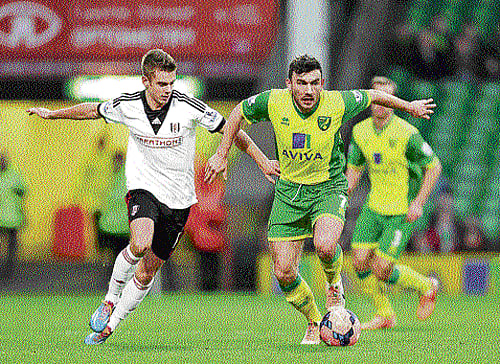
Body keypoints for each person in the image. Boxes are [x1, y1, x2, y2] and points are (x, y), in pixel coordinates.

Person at [26, 49, 279, 345]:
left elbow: (231, 128)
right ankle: (109, 299)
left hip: (180, 200)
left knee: (147, 273)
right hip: (144, 189)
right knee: (139, 243)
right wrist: (52, 113)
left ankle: (111, 325)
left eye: (171, 83)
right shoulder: (127, 105)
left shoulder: (187, 106)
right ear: (146, 81)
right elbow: (91, 109)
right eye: (162, 84)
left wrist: (261, 161)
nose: (168, 90)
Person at [204, 55, 436, 344]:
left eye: (314, 83)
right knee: (284, 271)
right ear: (289, 84)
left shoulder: (336, 102)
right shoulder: (274, 101)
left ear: (322, 84)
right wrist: (221, 154)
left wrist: (408, 107)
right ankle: (315, 321)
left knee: (325, 245)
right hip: (288, 192)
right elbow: (238, 111)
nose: (309, 90)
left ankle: (334, 284)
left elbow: (374, 95)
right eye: (301, 83)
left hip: (327, 187)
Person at [345, 76, 442, 330]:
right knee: (358, 260)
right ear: (371, 100)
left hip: (400, 211)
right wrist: (342, 194)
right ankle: (384, 314)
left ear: (395, 102)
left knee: (381, 268)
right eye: (379, 98)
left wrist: (418, 203)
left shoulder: (407, 133)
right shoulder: (360, 131)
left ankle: (426, 285)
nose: (383, 104)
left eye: (389, 99)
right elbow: (353, 171)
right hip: (373, 207)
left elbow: (434, 166)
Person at [96, 150, 129, 261]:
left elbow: (115, 198)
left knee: (120, 256)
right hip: (118, 227)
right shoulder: (115, 176)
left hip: (120, 227)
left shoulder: (121, 177)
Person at [0, 151, 27, 280]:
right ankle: (7, 271)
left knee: (11, 248)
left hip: (12, 218)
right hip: (9, 218)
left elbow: (23, 191)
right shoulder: (14, 175)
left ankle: (8, 272)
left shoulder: (14, 175)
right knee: (11, 248)